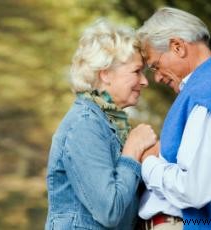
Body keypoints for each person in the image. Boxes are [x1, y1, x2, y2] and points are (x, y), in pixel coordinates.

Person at [137, 7, 211, 230]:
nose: (157, 77)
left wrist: (148, 162)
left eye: (156, 66)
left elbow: (195, 189)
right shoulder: (210, 85)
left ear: (177, 47)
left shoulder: (208, 92)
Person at [45, 19, 157, 230]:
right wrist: (133, 151)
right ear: (105, 74)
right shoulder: (84, 125)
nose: (145, 81)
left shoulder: (109, 122)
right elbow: (110, 211)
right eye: (136, 71)